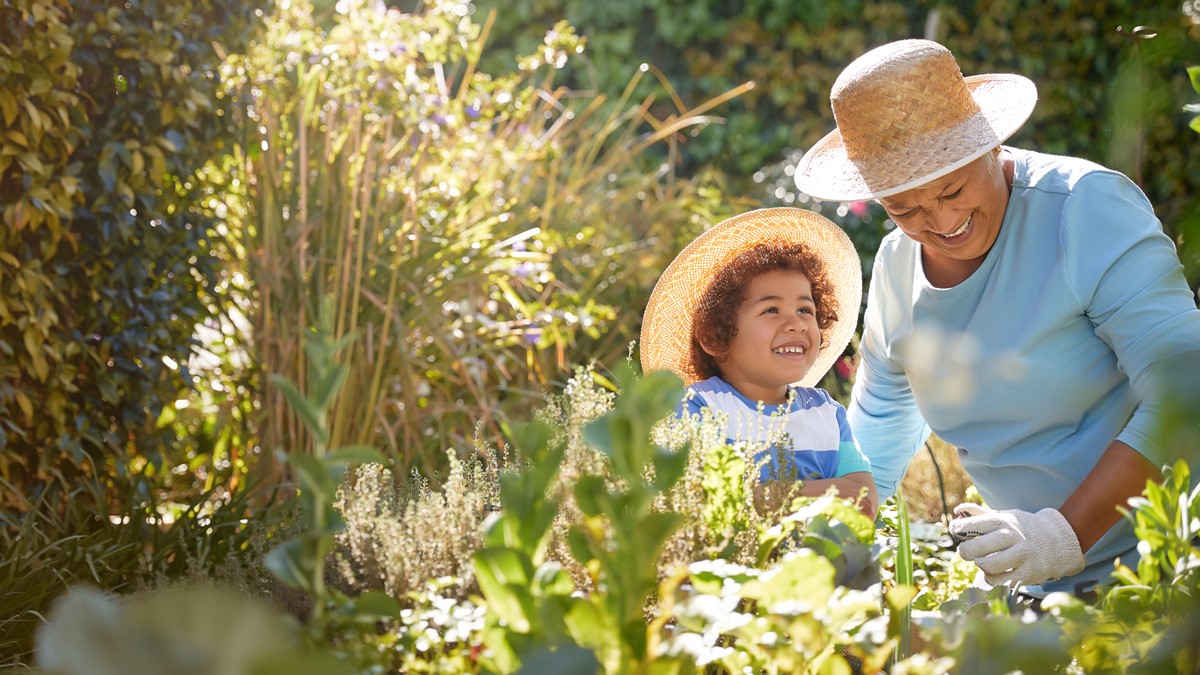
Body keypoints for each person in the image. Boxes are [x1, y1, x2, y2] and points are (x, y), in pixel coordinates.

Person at [793, 39, 1200, 599]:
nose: (942, 221)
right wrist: (830, 541)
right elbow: (882, 422)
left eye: (952, 189)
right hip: (1038, 583)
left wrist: (1061, 535)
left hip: (1173, 562)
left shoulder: (1083, 209)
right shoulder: (895, 266)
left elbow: (1186, 390)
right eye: (904, 209)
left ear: (989, 142)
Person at [640, 207, 878, 518]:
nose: (796, 324)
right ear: (716, 337)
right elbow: (705, 501)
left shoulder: (827, 413)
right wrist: (828, 491)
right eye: (771, 311)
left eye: (806, 310)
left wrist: (768, 495)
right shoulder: (698, 408)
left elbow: (864, 500)